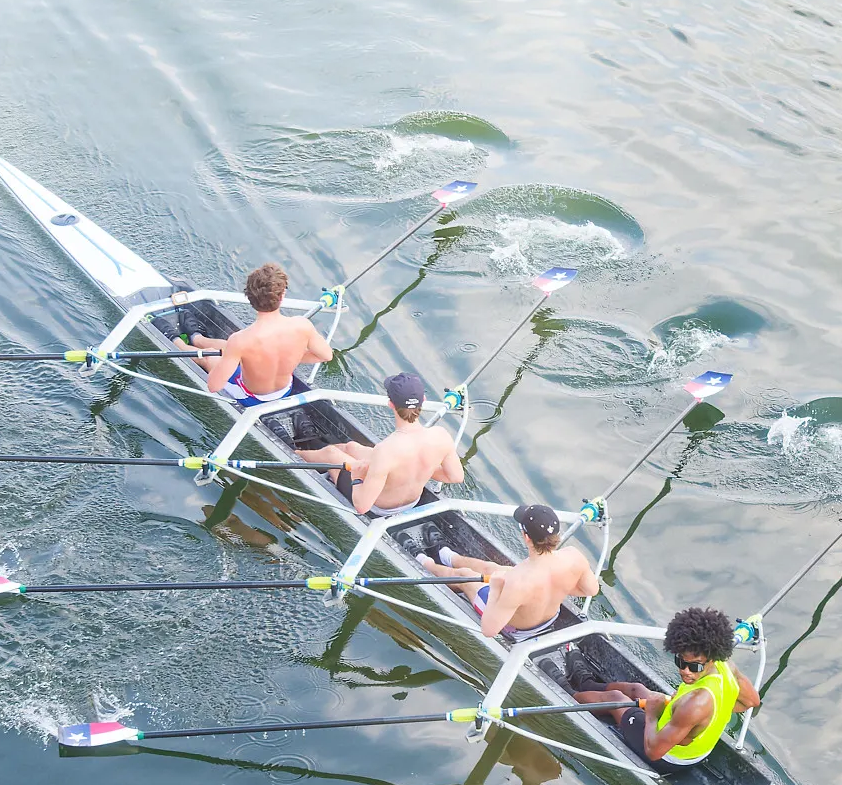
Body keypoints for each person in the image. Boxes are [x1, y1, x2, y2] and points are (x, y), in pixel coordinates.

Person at [566, 606, 760, 773]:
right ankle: (587, 684)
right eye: (680, 661)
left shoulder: (695, 704)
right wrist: (707, 714)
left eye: (695, 666)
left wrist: (652, 714)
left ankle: (567, 693)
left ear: (710, 659)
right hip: (689, 738)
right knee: (636, 689)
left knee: (617, 699)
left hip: (667, 759)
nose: (685, 672)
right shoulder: (726, 665)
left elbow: (653, 751)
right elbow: (751, 701)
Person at [416, 503, 597, 642]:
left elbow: (489, 630)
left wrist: (495, 589)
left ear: (526, 538)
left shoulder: (518, 581)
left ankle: (425, 562)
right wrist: (558, 587)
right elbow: (591, 590)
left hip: (516, 629)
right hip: (549, 618)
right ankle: (449, 556)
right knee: (491, 568)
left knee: (465, 575)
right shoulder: (574, 556)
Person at [298, 371, 464, 514]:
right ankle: (313, 445)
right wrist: (419, 467)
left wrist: (356, 477)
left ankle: (293, 453)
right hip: (412, 501)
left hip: (378, 508)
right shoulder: (441, 436)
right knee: (351, 447)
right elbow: (455, 476)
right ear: (423, 400)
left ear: (390, 404)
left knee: (331, 454)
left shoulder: (386, 450)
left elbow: (362, 507)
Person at [189, 263, 333, 408]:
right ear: (282, 295)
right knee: (230, 349)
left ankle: (176, 340)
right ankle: (197, 338)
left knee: (210, 357)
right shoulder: (303, 325)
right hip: (284, 391)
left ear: (250, 299)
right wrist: (290, 356)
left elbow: (213, 386)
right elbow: (326, 356)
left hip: (251, 397)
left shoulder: (241, 340)